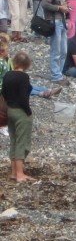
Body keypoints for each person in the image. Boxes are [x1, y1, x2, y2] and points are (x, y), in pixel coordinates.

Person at [2, 52, 35, 182]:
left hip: (10, 110)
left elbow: (3, 92)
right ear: (27, 65)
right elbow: (23, 97)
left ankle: (14, 172)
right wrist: (28, 112)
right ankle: (20, 174)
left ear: (14, 62)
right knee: (22, 142)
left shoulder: (7, 75)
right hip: (20, 112)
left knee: (14, 141)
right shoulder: (24, 77)